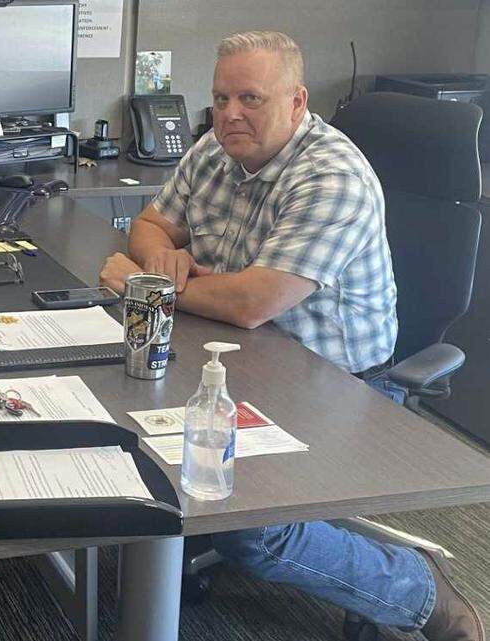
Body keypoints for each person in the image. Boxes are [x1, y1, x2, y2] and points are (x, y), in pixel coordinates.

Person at [99, 31, 483, 641]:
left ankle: (424, 595)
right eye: (221, 97)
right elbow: (151, 222)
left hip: (339, 384)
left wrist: (141, 288)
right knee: (112, 402)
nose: (230, 114)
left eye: (250, 97)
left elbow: (254, 303)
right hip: (244, 356)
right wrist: (155, 266)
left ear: (298, 101)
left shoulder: (331, 176)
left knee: (245, 521)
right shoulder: (215, 148)